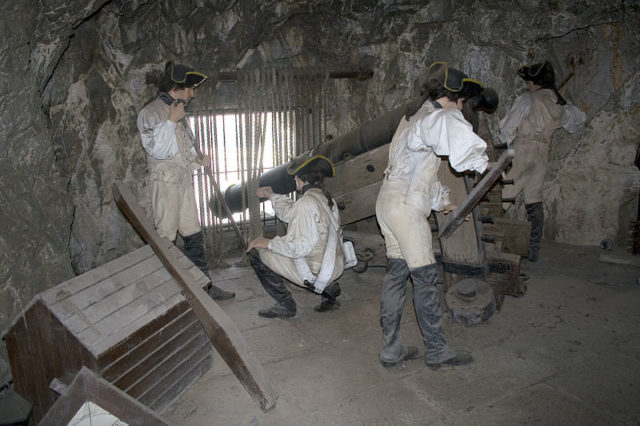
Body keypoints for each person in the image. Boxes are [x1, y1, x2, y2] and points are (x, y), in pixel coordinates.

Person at [375, 61, 489, 369]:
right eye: (463, 102)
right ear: (456, 97)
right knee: (425, 279)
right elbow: (449, 124)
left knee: (397, 275)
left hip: (389, 202)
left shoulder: (412, 117)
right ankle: (437, 350)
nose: (463, 107)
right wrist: (480, 161)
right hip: (406, 209)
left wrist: (447, 205)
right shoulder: (438, 115)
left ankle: (391, 350)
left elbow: (420, 175)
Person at [137, 61, 235, 300]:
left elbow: (181, 150)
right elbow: (158, 151)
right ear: (176, 88)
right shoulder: (150, 113)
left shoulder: (179, 111)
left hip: (182, 180)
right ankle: (168, 293)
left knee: (193, 233)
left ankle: (205, 287)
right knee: (166, 237)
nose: (193, 93)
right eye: (190, 88)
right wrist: (170, 121)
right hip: (165, 184)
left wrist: (197, 160)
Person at [499, 60, 586, 262]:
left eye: (529, 81)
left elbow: (507, 129)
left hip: (525, 150)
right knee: (534, 199)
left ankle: (486, 239)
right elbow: (578, 120)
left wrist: (503, 145)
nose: (527, 84)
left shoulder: (527, 99)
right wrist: (559, 102)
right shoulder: (558, 103)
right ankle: (533, 248)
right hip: (542, 153)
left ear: (535, 82)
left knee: (504, 195)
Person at [246, 155, 344, 318]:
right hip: (334, 265)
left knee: (256, 252)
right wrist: (272, 196)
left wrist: (267, 243)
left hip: (318, 272)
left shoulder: (306, 203)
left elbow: (297, 248)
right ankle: (330, 288)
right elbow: (291, 212)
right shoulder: (326, 199)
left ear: (299, 179)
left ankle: (285, 305)